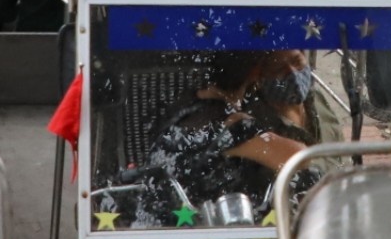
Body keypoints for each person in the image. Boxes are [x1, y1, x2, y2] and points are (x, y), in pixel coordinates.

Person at [106, 49, 319, 227]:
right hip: (191, 234)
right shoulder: (232, 125)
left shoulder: (185, 107)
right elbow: (299, 157)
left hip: (150, 225)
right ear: (256, 73)